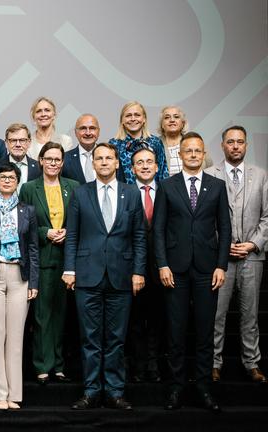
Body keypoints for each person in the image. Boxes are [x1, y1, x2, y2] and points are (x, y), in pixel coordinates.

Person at [62, 142, 146, 411]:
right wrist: (69, 269)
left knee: (116, 339)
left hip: (122, 276)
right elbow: (72, 234)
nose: (104, 162)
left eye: (109, 158)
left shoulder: (131, 193)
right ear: (93, 163)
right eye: (99, 158)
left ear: (117, 163)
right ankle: (91, 391)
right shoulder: (80, 193)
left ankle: (114, 391)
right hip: (87, 275)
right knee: (90, 338)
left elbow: (139, 236)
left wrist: (139, 271)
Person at [154, 132, 230, 412]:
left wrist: (221, 265)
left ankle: (203, 387)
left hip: (208, 270)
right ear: (180, 154)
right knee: (175, 332)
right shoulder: (167, 186)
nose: (194, 155)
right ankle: (175, 388)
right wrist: (162, 264)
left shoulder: (217, 186)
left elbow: (225, 228)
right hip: (175, 270)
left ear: (204, 154)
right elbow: (158, 229)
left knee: (204, 331)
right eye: (189, 151)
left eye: (198, 150)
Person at [0, 163, 38, 410]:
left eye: (11, 177)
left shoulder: (28, 211)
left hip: (20, 276)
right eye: (3, 177)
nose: (7, 180)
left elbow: (33, 248)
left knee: (15, 336)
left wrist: (34, 281)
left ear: (17, 181)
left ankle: (13, 393)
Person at [207, 126, 267, 384]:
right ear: (222, 145)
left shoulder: (261, 175)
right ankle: (213, 363)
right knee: (216, 314)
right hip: (220, 259)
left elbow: (267, 216)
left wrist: (253, 243)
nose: (235, 146)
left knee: (249, 315)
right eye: (230, 142)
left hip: (251, 257)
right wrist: (222, 244)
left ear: (246, 145)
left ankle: (252, 363)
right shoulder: (210, 174)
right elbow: (204, 219)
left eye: (239, 142)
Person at [19, 142, 80, 385]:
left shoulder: (73, 187)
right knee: (42, 316)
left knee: (61, 316)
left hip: (67, 260)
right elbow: (22, 223)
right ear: (41, 161)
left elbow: (80, 219)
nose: (53, 163)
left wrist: (68, 231)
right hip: (41, 259)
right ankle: (42, 365)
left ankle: (59, 366)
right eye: (49, 159)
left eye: (57, 159)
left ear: (62, 163)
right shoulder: (28, 188)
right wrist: (45, 232)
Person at [126, 147, 164, 383]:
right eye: (140, 163)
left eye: (149, 161)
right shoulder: (126, 192)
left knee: (158, 318)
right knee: (136, 319)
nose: (145, 166)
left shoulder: (168, 191)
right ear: (132, 169)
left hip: (162, 266)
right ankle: (138, 366)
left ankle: (154, 364)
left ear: (157, 166)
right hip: (133, 266)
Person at [108, 101, 169, 184]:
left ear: (144, 119)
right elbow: (110, 175)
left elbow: (163, 173)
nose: (133, 119)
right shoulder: (114, 144)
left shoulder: (155, 142)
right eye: (128, 115)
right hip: (123, 191)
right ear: (122, 120)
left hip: (152, 191)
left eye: (137, 115)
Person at [62, 114, 99, 184]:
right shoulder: (64, 159)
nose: (88, 133)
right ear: (75, 132)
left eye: (92, 128)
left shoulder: (110, 157)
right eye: (83, 128)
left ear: (98, 131)